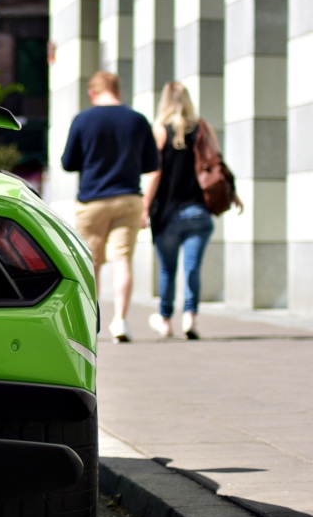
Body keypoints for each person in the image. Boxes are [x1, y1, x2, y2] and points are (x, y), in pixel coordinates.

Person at [62, 71, 160, 342]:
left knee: (90, 264)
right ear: (118, 90)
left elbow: (68, 162)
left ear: (92, 93)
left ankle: (89, 324)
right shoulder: (137, 120)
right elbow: (151, 164)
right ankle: (120, 322)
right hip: (128, 198)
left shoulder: (83, 119)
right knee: (123, 260)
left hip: (93, 200)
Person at [142, 82, 244, 340]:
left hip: (167, 214)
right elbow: (216, 163)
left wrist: (144, 208)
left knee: (167, 270)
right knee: (192, 269)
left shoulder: (159, 131)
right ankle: (190, 317)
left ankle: (165, 321)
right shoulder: (202, 127)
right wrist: (232, 193)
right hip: (198, 213)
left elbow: (155, 174)